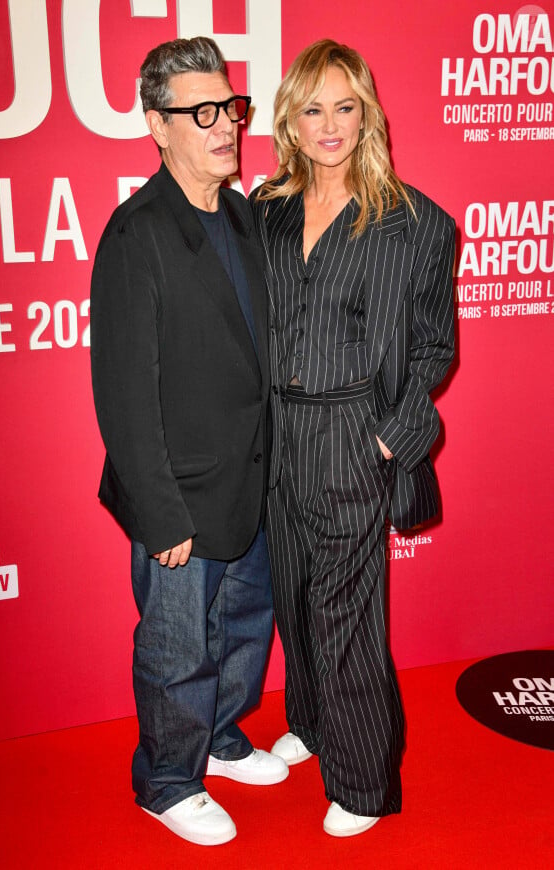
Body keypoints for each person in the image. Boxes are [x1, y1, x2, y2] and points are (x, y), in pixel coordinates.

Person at [251, 39, 455, 837]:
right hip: (275, 432)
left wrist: (388, 438)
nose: (329, 124)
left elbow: (435, 345)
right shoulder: (264, 209)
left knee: (346, 610)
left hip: (350, 431)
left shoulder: (416, 222)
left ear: (366, 111)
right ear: (291, 123)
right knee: (294, 596)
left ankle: (365, 780)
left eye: (345, 105)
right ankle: (311, 721)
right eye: (313, 108)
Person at [90, 36, 288, 848]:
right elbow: (123, 390)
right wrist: (158, 510)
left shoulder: (243, 213)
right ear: (157, 126)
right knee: (177, 644)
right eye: (200, 113)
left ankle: (221, 734)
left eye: (230, 108)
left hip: (251, 478)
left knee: (245, 626)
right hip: (179, 491)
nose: (224, 126)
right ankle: (167, 779)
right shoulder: (136, 233)